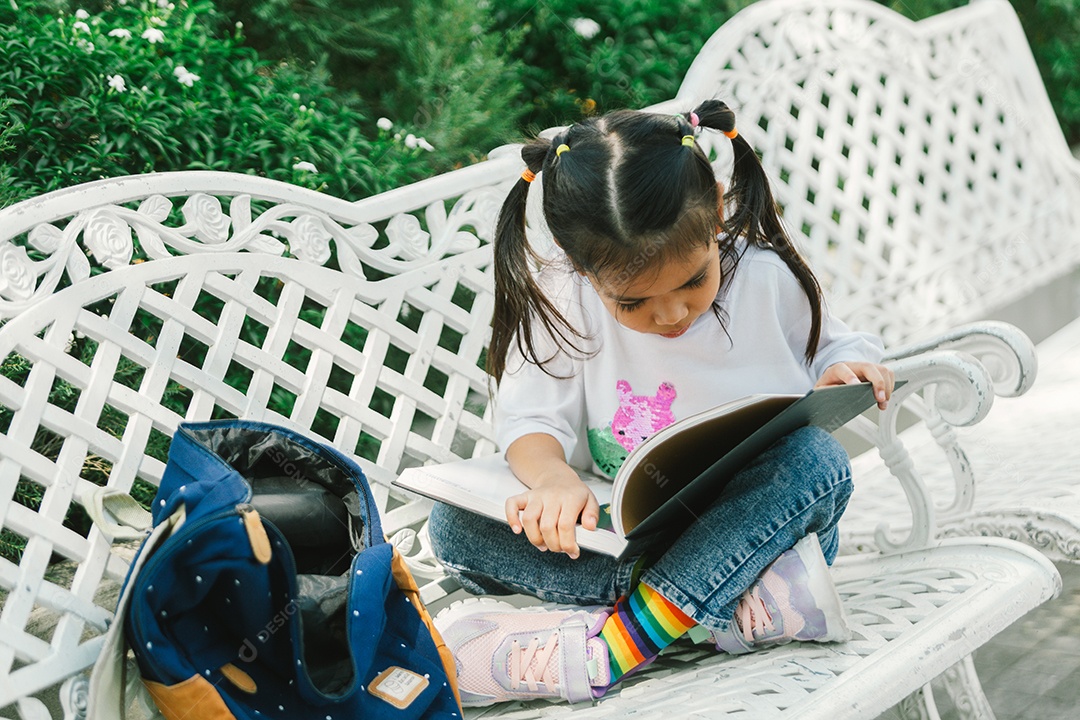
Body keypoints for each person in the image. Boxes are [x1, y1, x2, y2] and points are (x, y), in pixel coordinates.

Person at [428, 100, 895, 706]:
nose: (670, 314)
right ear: (580, 265)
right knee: (454, 524)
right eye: (633, 303)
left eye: (693, 281)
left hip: (752, 522)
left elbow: (836, 343)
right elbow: (529, 418)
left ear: (718, 214)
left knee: (815, 461)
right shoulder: (565, 298)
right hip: (632, 539)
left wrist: (844, 366)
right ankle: (729, 609)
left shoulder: (763, 275)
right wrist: (550, 481)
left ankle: (611, 648)